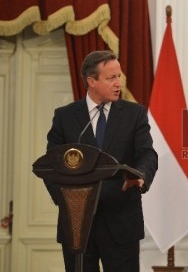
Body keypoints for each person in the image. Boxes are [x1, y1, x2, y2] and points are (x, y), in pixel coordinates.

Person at [45, 50, 158, 272]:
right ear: (91, 81)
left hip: (121, 221)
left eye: (119, 76)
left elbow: (147, 154)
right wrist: (68, 201)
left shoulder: (134, 114)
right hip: (77, 225)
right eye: (111, 78)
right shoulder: (65, 117)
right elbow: (51, 165)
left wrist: (140, 176)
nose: (118, 83)